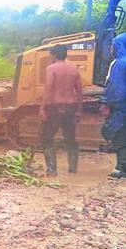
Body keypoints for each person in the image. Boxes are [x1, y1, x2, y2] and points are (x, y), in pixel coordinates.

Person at [39, 45, 83, 177]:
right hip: (71, 107)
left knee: (47, 138)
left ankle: (52, 170)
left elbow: (48, 90)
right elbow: (80, 92)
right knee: (70, 138)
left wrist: (42, 108)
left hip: (56, 108)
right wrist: (79, 110)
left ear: (54, 55)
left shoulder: (51, 69)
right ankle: (73, 169)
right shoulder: (74, 69)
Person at [101, 33, 126, 179]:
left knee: (120, 136)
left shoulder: (119, 63)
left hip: (122, 108)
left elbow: (116, 88)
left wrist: (106, 103)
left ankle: (122, 168)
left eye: (113, 45)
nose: (111, 48)